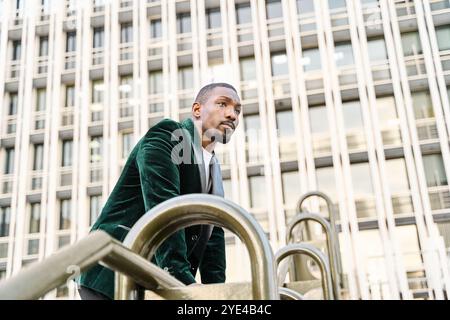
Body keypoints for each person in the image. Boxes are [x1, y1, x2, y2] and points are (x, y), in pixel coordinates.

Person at [77, 82, 242, 300]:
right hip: (112, 274)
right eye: (222, 104)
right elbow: (163, 207)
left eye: (237, 110)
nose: (232, 114)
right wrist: (183, 281)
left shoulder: (213, 167)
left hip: (151, 282)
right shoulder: (168, 135)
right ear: (197, 110)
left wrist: (217, 292)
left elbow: (212, 235)